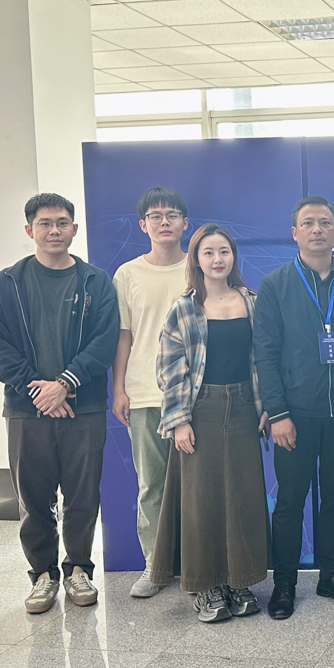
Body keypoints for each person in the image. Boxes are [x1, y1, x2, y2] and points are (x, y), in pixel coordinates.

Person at [0, 193, 118, 613]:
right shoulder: (6, 283)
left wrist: (64, 383)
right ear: (30, 230)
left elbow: (105, 341)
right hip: (26, 410)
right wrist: (40, 392)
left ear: (74, 229)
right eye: (45, 223)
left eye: (62, 223)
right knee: (33, 496)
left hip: (84, 405)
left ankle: (79, 569)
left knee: (82, 494)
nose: (54, 230)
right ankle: (42, 575)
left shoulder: (95, 281)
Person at [254, 196, 334, 619]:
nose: (317, 229)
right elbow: (265, 354)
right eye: (308, 223)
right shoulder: (275, 285)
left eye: (325, 222)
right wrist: (278, 413)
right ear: (295, 233)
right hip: (295, 412)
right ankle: (285, 583)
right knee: (290, 501)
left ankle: (331, 575)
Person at [151, 224, 270, 623]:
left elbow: (265, 359)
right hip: (200, 409)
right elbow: (170, 369)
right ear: (196, 259)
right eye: (208, 252)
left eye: (224, 251)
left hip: (245, 407)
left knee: (243, 495)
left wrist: (267, 405)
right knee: (200, 499)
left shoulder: (253, 302)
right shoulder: (184, 308)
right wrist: (179, 421)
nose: (217, 259)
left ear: (233, 256)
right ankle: (206, 585)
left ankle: (240, 581)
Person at [111, 187, 190, 598]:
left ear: (185, 224)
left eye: (172, 215)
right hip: (143, 393)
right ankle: (155, 566)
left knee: (197, 486)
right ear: (143, 225)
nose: (164, 222)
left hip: (193, 394)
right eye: (156, 216)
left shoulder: (199, 267)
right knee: (152, 486)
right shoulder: (127, 274)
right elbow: (123, 335)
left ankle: (198, 566)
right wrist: (119, 388)